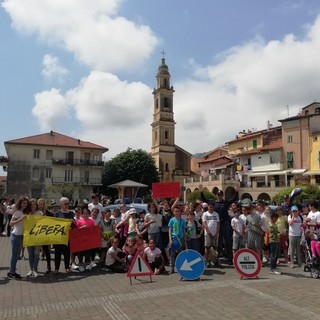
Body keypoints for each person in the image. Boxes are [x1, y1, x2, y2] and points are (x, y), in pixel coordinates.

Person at [7, 196, 29, 279]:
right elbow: (11, 223)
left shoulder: (23, 212)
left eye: (26, 203)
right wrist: (21, 219)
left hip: (20, 236)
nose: (25, 205)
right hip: (15, 236)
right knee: (15, 255)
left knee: (16, 255)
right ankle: (11, 272)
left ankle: (12, 271)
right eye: (23, 203)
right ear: (20, 203)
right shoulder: (17, 212)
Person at [53, 197, 74, 274]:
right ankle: (56, 268)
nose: (67, 205)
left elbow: (73, 225)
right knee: (57, 253)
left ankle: (67, 267)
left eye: (68, 203)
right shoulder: (57, 213)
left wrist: (73, 222)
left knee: (67, 252)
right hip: (59, 237)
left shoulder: (71, 213)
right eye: (65, 204)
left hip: (68, 236)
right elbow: (53, 225)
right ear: (61, 204)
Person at [26, 198, 43, 277]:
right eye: (31, 205)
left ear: (36, 205)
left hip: (37, 236)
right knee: (30, 254)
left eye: (34, 204)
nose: (33, 206)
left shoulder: (40, 213)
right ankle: (31, 270)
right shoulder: (27, 213)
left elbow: (44, 223)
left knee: (36, 254)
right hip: (29, 236)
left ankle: (35, 269)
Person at [168, 206, 187, 274]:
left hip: (181, 239)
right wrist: (170, 239)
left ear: (180, 212)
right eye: (175, 211)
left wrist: (185, 239)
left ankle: (180, 267)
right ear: (173, 212)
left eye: (178, 211)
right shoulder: (172, 220)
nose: (177, 213)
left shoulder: (182, 221)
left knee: (180, 253)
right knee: (172, 253)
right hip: (174, 238)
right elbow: (170, 230)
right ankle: (172, 267)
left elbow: (184, 230)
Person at [76, 206, 95, 271]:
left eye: (87, 213)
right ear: (82, 214)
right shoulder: (79, 221)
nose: (85, 215)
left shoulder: (91, 221)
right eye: (84, 213)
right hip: (81, 240)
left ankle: (87, 264)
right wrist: (81, 228)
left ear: (89, 214)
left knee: (88, 252)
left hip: (88, 240)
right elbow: (76, 231)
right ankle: (80, 264)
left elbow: (93, 230)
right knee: (80, 253)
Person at [202, 203, 220, 268]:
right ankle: (207, 261)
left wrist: (216, 233)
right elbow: (204, 224)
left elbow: (218, 224)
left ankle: (214, 261)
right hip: (207, 234)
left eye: (212, 207)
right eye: (210, 207)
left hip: (215, 234)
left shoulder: (216, 214)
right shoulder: (205, 214)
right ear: (208, 207)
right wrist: (209, 233)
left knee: (215, 248)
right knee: (207, 247)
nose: (211, 208)